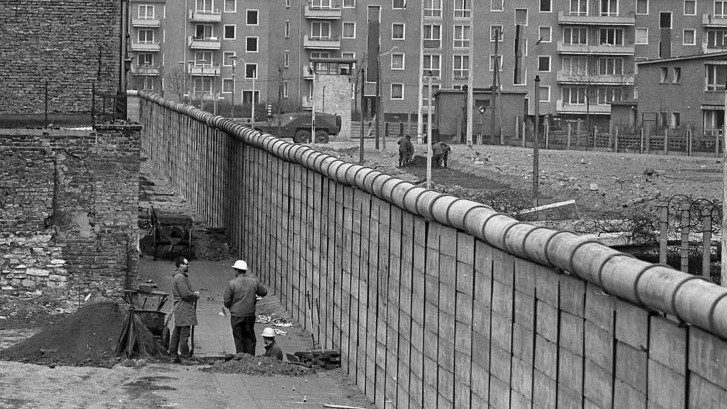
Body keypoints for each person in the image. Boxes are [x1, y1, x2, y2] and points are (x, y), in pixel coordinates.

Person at [223, 259, 268, 355]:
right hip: (249, 314)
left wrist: (231, 306)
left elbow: (226, 301)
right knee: (250, 337)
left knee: (238, 337)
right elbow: (264, 292)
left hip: (236, 314)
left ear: (236, 270)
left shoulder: (232, 283)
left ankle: (240, 358)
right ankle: (250, 358)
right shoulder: (253, 281)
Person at [168, 256, 199, 362]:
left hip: (180, 308)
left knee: (177, 332)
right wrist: (195, 295)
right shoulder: (180, 277)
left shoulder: (179, 276)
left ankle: (173, 355)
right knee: (184, 334)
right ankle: (185, 357)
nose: (187, 265)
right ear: (180, 265)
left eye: (188, 264)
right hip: (184, 308)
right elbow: (185, 294)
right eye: (185, 264)